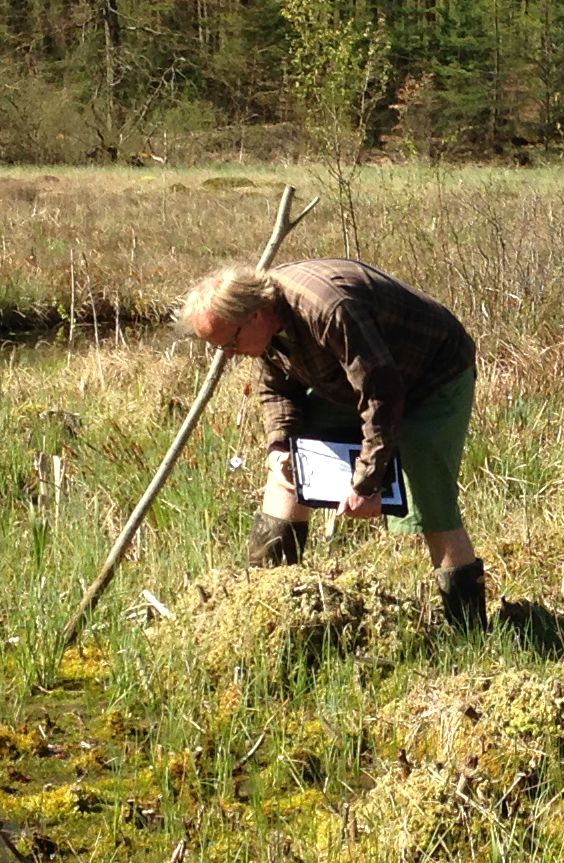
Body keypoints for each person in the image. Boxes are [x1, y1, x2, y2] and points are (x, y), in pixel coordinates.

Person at [174, 258, 487, 629]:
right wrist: (280, 448)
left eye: (229, 343)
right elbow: (276, 389)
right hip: (353, 382)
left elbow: (381, 397)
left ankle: (468, 630)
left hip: (432, 376)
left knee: (427, 497)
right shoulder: (261, 325)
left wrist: (368, 482)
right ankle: (265, 601)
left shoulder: (330, 310)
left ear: (256, 315)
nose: (227, 354)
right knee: (292, 470)